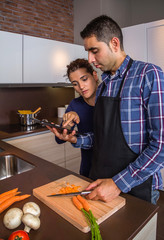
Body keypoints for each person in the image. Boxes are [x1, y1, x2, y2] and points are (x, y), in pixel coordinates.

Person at [54, 15, 164, 205]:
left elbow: (161, 144)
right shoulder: (104, 84)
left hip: (137, 187)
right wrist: (76, 139)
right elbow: (102, 138)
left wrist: (118, 184)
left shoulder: (149, 75)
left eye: (94, 50)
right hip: (100, 184)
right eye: (88, 52)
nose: (91, 59)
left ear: (114, 43)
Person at [51, 58, 99, 177]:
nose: (81, 87)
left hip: (111, 173)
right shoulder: (75, 105)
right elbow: (60, 139)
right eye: (75, 84)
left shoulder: (108, 100)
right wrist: (68, 125)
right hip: (87, 170)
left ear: (95, 76)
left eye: (84, 79)